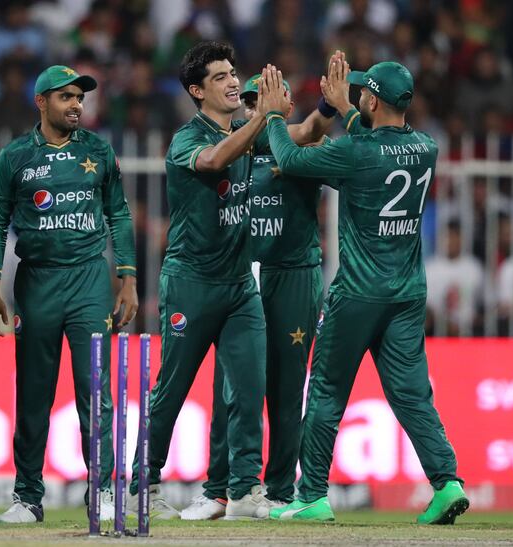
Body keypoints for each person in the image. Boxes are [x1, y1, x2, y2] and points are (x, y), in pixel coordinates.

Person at [128, 41, 333, 521]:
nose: (232, 81)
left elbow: (303, 131)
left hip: (241, 286)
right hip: (191, 283)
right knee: (171, 391)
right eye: (219, 77)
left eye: (232, 72)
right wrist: (264, 118)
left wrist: (328, 105)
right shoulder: (187, 139)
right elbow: (213, 162)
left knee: (247, 389)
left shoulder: (247, 128)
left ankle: (243, 491)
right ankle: (140, 484)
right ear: (198, 91)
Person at [259, 60, 469, 524]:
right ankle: (447, 482)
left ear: (372, 100)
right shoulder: (426, 147)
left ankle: (311, 494)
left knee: (327, 393)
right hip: (408, 294)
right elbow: (380, 146)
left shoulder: (355, 151)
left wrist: (274, 116)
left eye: (361, 96)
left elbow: (291, 160)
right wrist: (345, 109)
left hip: (357, 293)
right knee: (413, 395)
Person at [0, 64, 138, 523]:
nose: (76, 105)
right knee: (33, 393)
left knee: (96, 391)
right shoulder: (15, 157)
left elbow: (120, 217)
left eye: (80, 98)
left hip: (89, 280)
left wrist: (127, 278)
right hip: (37, 282)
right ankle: (28, 498)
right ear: (42, 102)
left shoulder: (98, 151)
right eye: (66, 97)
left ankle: (103, 493)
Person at [181, 72, 330, 520]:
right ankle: (220, 490)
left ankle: (282, 492)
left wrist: (327, 105)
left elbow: (312, 129)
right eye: (248, 100)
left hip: (293, 275)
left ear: (287, 100)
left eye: (266, 97)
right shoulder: (235, 149)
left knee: (286, 389)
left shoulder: (303, 145)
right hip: (241, 277)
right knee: (230, 388)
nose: (255, 106)